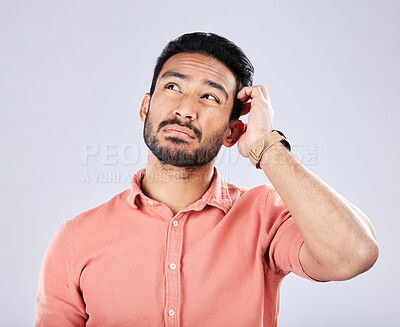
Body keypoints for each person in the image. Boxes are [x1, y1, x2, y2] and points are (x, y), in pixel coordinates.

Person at [34, 32, 379, 327]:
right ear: (145, 108)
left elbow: (355, 254)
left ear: (232, 132)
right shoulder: (76, 239)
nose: (185, 109)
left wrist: (266, 145)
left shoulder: (264, 216)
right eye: (173, 87)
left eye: (209, 96)